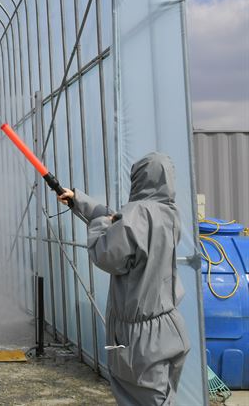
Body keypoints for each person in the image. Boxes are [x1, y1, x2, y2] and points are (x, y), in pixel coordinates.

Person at [57, 152, 190, 405]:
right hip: (169, 330)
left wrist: (97, 223)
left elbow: (107, 254)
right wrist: (79, 201)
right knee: (163, 399)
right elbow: (123, 225)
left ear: (139, 179)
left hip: (139, 340)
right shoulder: (169, 214)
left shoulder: (136, 214)